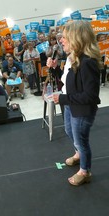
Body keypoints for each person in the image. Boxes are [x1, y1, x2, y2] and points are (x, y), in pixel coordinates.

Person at [49, 20, 102, 186]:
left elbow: (90, 96)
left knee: (81, 140)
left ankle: (85, 171)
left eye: (64, 37)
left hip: (82, 109)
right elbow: (68, 81)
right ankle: (79, 154)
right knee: (70, 131)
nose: (61, 40)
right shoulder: (74, 58)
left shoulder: (87, 63)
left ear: (76, 38)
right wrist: (56, 68)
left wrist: (63, 99)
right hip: (71, 105)